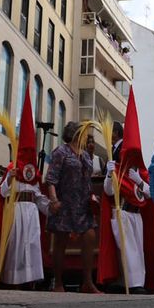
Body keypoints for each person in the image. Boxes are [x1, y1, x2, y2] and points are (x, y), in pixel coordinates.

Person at [96, 91, 154, 295]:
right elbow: (109, 191)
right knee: (127, 250)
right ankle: (131, 284)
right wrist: (110, 174)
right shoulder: (116, 165)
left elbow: (151, 193)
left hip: (136, 213)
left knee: (137, 250)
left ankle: (137, 283)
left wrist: (139, 182)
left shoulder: (140, 171)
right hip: (122, 211)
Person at [0, 90, 46, 289]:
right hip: (16, 211)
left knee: (31, 245)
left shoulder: (35, 174)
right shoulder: (13, 168)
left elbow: (39, 196)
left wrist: (50, 207)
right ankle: (14, 281)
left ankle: (30, 281)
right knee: (16, 245)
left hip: (31, 211)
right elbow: (3, 193)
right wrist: (10, 178)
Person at [44, 121, 102, 294]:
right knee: (61, 242)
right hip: (65, 203)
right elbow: (51, 178)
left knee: (90, 236)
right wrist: (54, 200)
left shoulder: (85, 155)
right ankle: (58, 283)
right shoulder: (61, 152)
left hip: (83, 204)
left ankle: (87, 282)